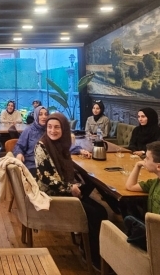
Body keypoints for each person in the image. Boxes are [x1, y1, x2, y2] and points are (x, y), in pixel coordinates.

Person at [34, 113, 107, 270]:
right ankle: (92, 256)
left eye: (57, 127)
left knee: (99, 207)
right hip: (52, 194)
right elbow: (46, 179)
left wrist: (73, 184)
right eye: (49, 127)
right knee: (97, 213)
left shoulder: (62, 144)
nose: (52, 130)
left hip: (63, 188)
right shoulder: (42, 146)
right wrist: (70, 187)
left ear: (64, 129)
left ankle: (88, 246)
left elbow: (65, 167)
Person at [13, 105, 48, 175]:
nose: (44, 117)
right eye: (40, 114)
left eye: (46, 114)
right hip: (32, 164)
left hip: (48, 164)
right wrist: (19, 153)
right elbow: (19, 146)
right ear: (36, 116)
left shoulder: (50, 130)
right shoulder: (29, 130)